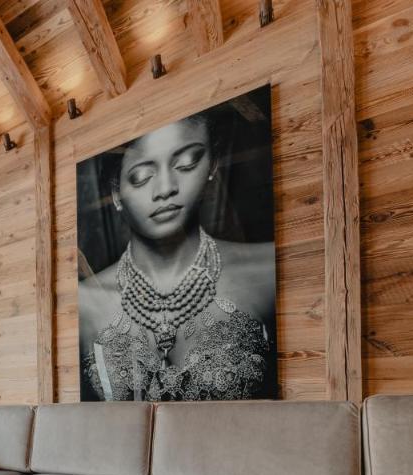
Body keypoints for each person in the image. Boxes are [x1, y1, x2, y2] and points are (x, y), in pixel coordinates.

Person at [78, 111, 275, 401]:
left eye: (186, 164)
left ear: (212, 165)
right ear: (116, 194)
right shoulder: (85, 302)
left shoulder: (266, 272)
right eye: (141, 177)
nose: (166, 188)